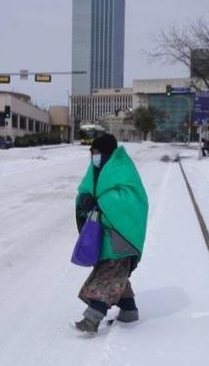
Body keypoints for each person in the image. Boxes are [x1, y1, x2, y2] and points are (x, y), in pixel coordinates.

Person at [73, 134, 149, 334]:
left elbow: (129, 201)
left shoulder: (122, 170)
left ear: (107, 153)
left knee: (108, 276)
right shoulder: (97, 170)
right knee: (116, 274)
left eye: (97, 152)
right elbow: (85, 190)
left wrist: (100, 203)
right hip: (105, 235)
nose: (93, 157)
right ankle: (129, 311)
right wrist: (84, 200)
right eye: (92, 153)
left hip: (121, 236)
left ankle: (92, 319)